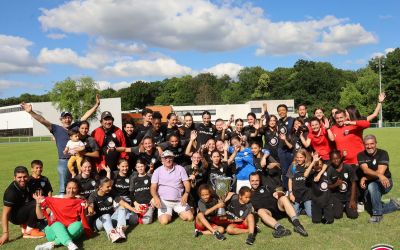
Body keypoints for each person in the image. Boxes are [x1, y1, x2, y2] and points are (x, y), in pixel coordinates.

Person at [20, 95, 100, 194]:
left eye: (69, 117)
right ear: (61, 120)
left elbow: (86, 116)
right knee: (63, 187)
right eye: (65, 118)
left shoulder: (75, 127)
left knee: (77, 186)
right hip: (64, 161)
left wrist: (96, 106)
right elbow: (42, 120)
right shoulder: (56, 128)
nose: (67, 120)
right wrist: (31, 112)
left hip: (78, 160)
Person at [33, 179, 92, 250]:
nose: (71, 190)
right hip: (53, 231)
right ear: (66, 188)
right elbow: (40, 216)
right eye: (69, 188)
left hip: (70, 229)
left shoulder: (79, 202)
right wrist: (38, 203)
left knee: (78, 225)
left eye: (74, 188)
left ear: (77, 189)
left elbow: (84, 218)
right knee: (56, 223)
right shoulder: (56, 199)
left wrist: (87, 207)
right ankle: (69, 243)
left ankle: (52, 244)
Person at [249, 172, 308, 238]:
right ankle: (280, 229)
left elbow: (280, 193)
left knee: (283, 198)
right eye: (252, 181)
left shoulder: (266, 187)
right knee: (260, 211)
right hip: (268, 213)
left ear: (259, 180)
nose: (255, 182)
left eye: (257, 180)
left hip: (278, 208)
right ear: (249, 181)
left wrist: (279, 193)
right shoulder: (248, 194)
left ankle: (297, 224)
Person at [357, 135, 400, 223]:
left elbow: (381, 172)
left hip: (385, 182)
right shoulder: (360, 155)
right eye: (367, 144)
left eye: (372, 144)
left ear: (376, 143)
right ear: (364, 145)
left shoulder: (383, 153)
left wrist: (366, 177)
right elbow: (365, 170)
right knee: (369, 207)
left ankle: (377, 215)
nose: (369, 146)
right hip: (370, 182)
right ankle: (395, 205)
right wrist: (374, 175)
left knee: (372, 185)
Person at [1, 166, 45, 246]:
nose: (22, 179)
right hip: (14, 217)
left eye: (24, 177)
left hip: (21, 209)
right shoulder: (11, 192)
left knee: (38, 201)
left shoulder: (27, 183)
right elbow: (5, 214)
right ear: (14, 178)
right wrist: (5, 233)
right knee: (36, 204)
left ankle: (25, 225)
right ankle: (29, 231)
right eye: (19, 177)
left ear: (28, 176)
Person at [88, 177, 139, 242]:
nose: (110, 188)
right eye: (108, 187)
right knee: (106, 215)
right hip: (99, 223)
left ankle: (120, 229)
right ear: (100, 187)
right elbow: (90, 205)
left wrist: (134, 210)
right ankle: (112, 234)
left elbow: (122, 203)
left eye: (111, 186)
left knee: (122, 207)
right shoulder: (93, 195)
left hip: (111, 219)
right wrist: (91, 210)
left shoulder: (111, 192)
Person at [150, 150, 194, 225]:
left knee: (190, 218)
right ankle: (169, 213)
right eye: (165, 158)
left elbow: (186, 183)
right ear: (162, 160)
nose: (168, 160)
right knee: (164, 222)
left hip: (179, 201)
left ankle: (176, 211)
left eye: (170, 157)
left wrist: (186, 194)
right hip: (164, 201)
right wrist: (155, 197)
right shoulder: (157, 171)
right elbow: (153, 187)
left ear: (173, 158)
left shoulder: (180, 169)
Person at [327, 150, 358, 220]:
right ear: (330, 160)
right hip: (337, 197)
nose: (336, 161)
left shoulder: (348, 167)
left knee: (353, 215)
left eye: (337, 158)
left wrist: (352, 200)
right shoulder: (330, 170)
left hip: (348, 196)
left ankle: (347, 206)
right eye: (333, 159)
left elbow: (354, 183)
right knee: (337, 215)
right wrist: (335, 184)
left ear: (341, 157)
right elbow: (328, 186)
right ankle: (340, 207)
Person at [287, 149, 319, 217]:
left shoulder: (309, 166)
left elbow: (316, 167)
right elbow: (290, 180)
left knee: (311, 214)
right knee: (294, 214)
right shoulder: (293, 166)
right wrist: (290, 193)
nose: (299, 159)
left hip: (306, 194)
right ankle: (300, 207)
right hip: (296, 194)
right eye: (297, 157)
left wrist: (314, 161)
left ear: (305, 158)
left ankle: (305, 206)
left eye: (301, 157)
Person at [129, 159, 154, 225]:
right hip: (138, 205)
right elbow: (131, 193)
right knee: (132, 221)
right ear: (136, 168)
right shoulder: (133, 178)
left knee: (146, 221)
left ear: (145, 166)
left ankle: (150, 213)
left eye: (142, 166)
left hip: (148, 204)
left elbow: (155, 189)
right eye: (138, 167)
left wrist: (153, 198)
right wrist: (135, 203)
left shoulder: (150, 176)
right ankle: (139, 215)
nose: (140, 168)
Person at [276, 104, 294, 190]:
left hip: (290, 149)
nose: (281, 112)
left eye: (283, 110)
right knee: (284, 170)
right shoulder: (278, 122)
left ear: (286, 111)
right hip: (281, 149)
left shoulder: (292, 120)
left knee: (292, 169)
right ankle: (286, 189)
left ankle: (293, 188)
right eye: (279, 111)